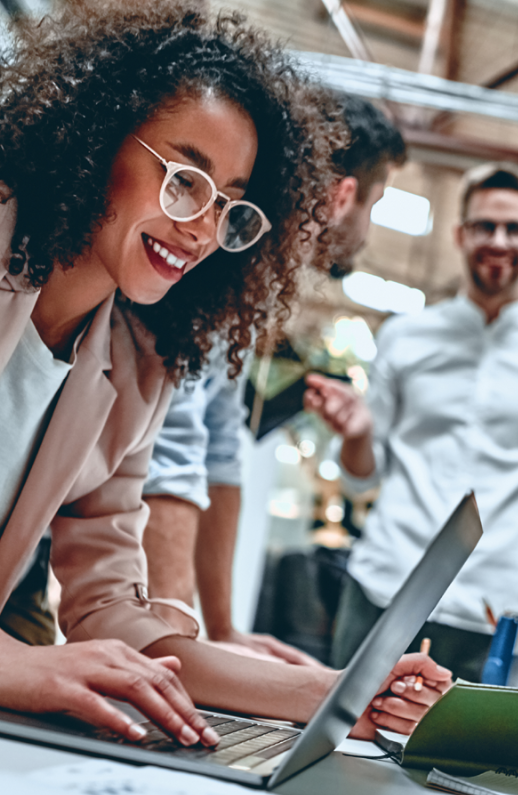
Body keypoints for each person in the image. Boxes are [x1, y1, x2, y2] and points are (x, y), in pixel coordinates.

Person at [0, 1, 449, 745]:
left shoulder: (135, 366)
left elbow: (115, 614)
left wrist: (339, 691)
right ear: (93, 139)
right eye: (185, 179)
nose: (201, 229)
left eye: (229, 205)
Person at [304, 163, 518, 682]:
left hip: (494, 606)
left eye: (514, 228)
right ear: (460, 234)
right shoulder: (405, 337)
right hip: (387, 586)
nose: (499, 240)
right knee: (343, 744)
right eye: (484, 226)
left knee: (463, 762)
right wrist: (359, 435)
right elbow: (362, 474)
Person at [141, 94, 407, 664]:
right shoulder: (220, 257)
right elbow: (174, 446)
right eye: (376, 203)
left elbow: (218, 449)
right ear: (342, 196)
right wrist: (179, 646)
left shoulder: (255, 283)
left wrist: (221, 629)